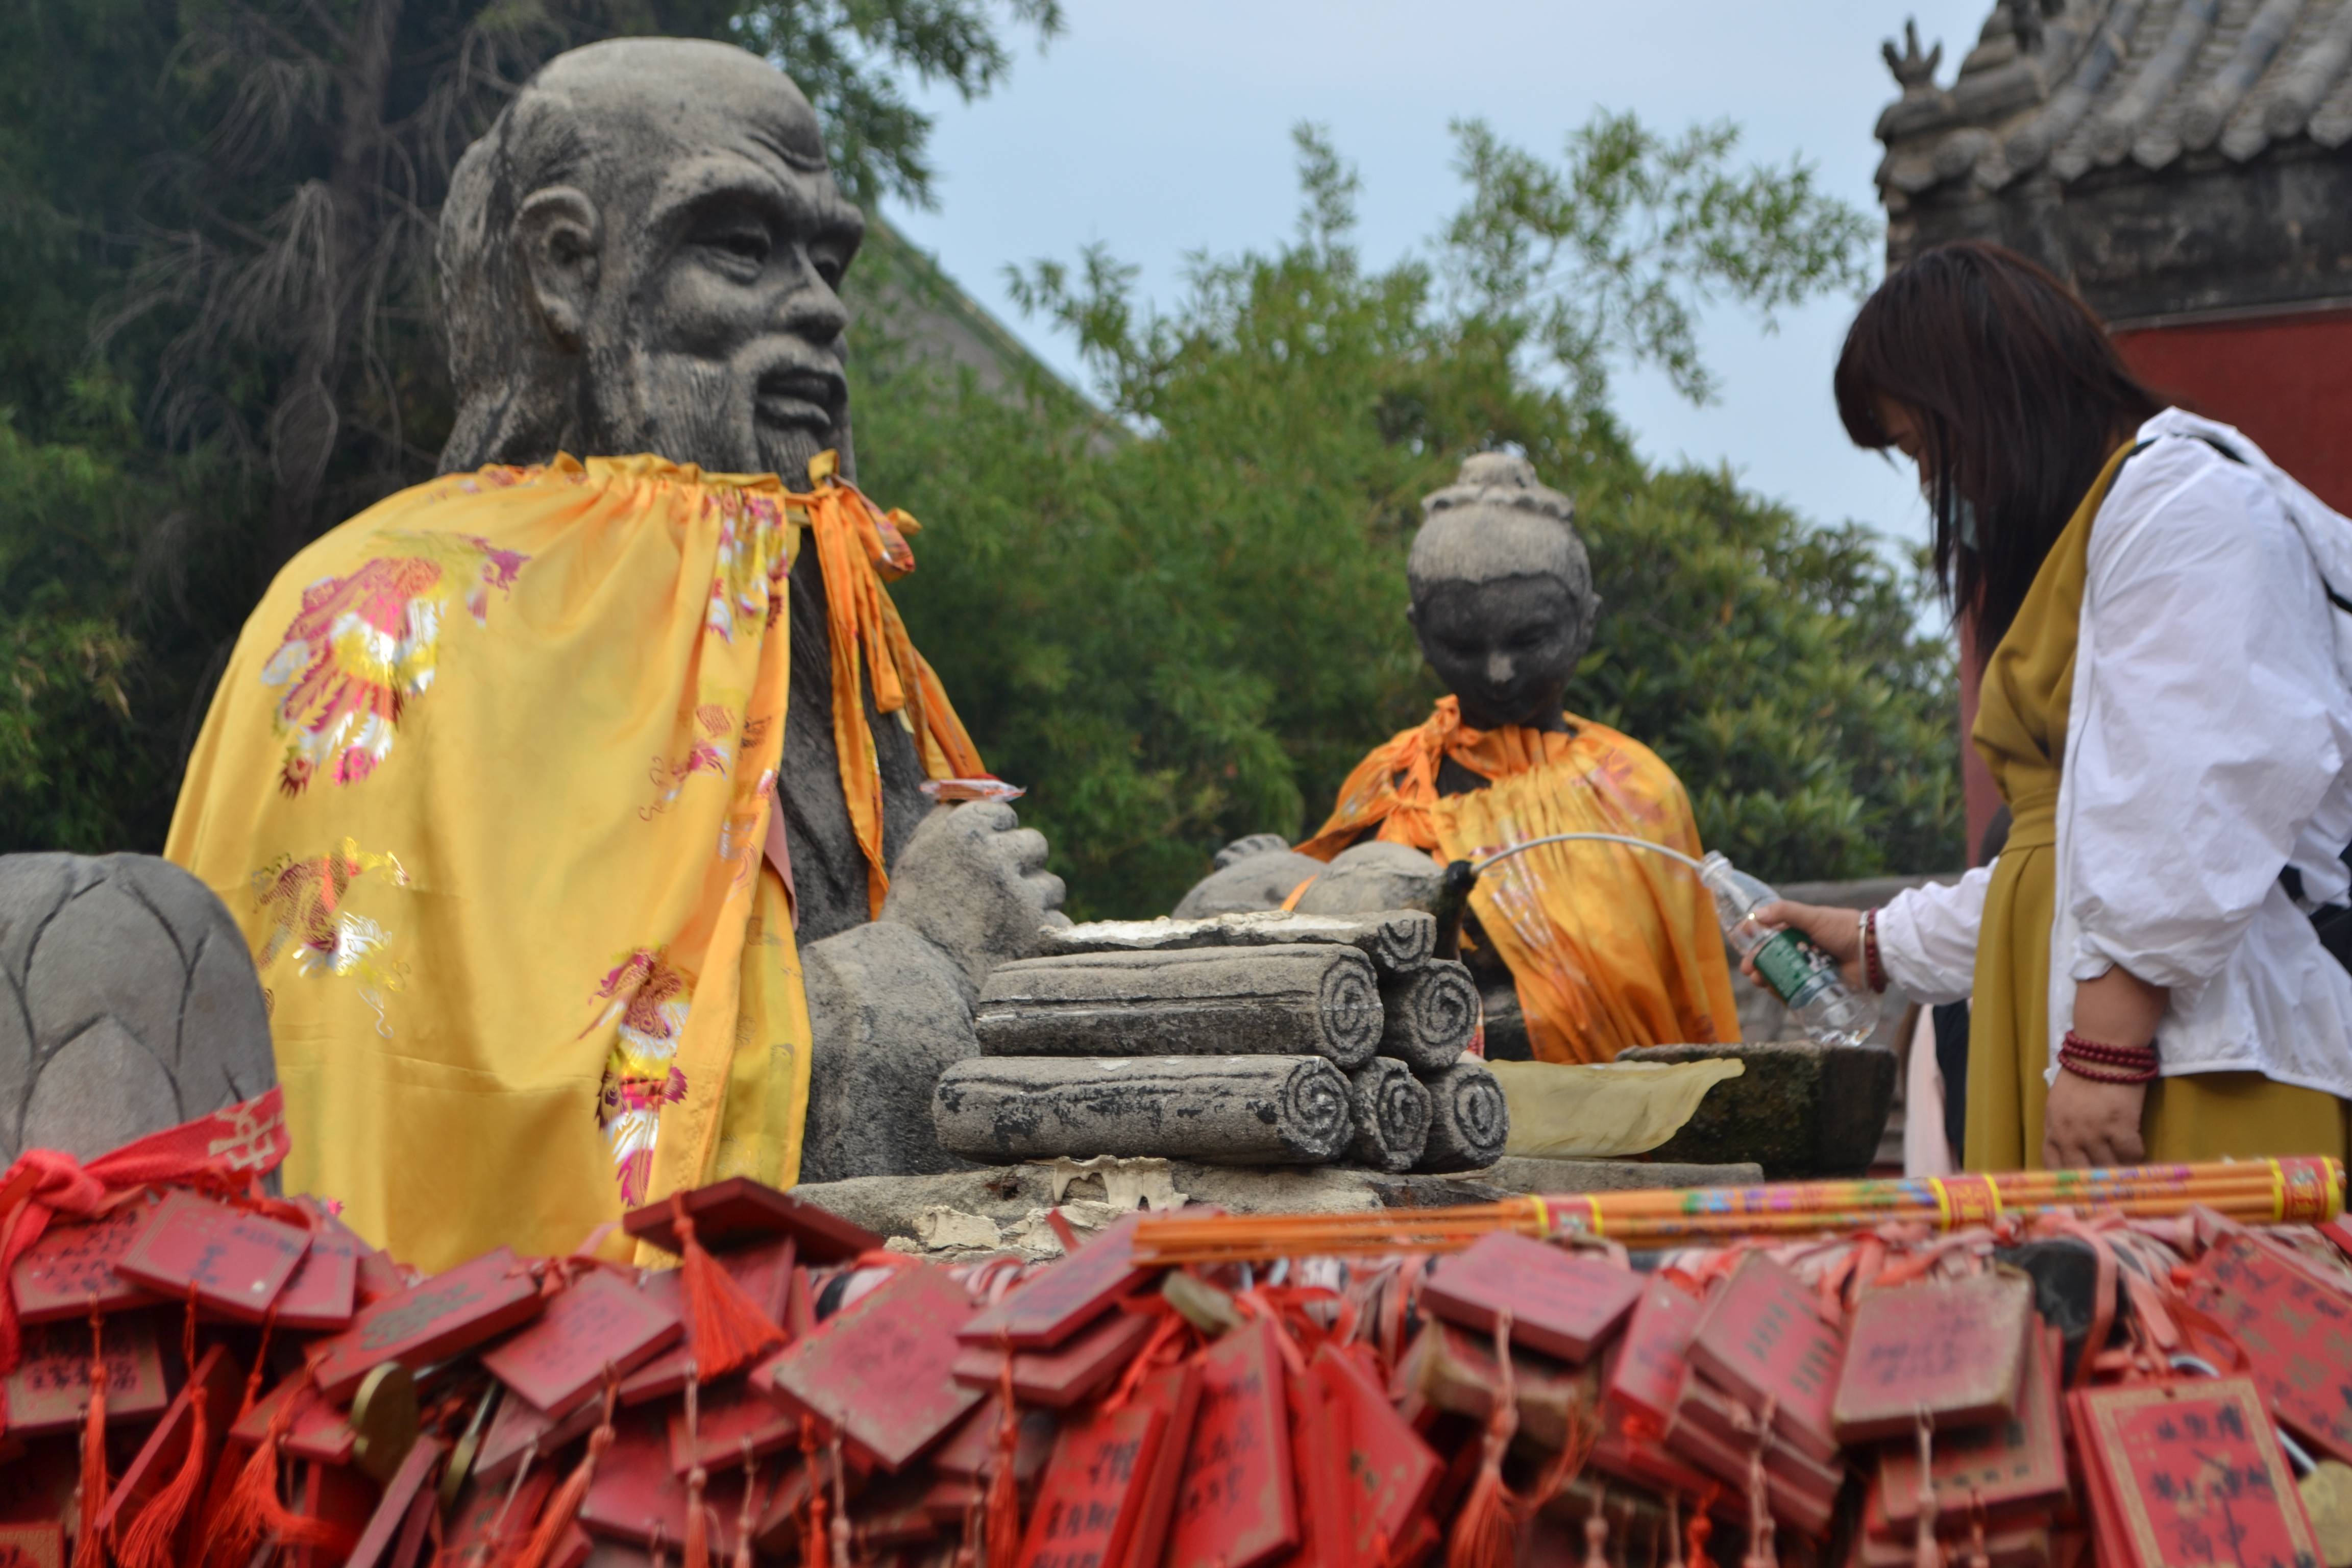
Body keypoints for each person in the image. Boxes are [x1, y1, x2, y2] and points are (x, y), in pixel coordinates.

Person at [166, 40, 1063, 1268]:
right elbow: (491, 1114)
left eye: (827, 258)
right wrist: (911, 971)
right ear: (564, 265)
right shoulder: (393, 619)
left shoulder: (808, 615)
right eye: (740, 248)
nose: (817, 306)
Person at [1763, 241, 2352, 1171]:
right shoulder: (2106, 529)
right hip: (2098, 1039)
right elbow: (2069, 861)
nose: (1928, 486)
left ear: (1983, 405)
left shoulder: (2188, 506)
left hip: (2191, 1061)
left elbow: (2189, 811)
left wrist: (2105, 1051)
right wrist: (1880, 942)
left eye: (1923, 446)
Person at [1296, 452, 1739, 1063]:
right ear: (1420, 634)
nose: (1498, 673)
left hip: (1612, 1126)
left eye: (1530, 640)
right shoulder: (1393, 783)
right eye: (1462, 644)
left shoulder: (1634, 789)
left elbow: (1683, 1003)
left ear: (1586, 623)